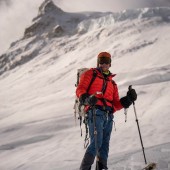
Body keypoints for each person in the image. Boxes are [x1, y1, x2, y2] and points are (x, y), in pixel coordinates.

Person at [76, 52, 137, 170]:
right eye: (101, 60)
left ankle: (102, 168)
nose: (104, 63)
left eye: (106, 61)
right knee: (96, 143)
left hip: (108, 116)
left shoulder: (112, 83)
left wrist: (128, 99)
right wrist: (86, 99)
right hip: (95, 112)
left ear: (110, 64)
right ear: (98, 62)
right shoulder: (90, 74)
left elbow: (115, 105)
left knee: (104, 144)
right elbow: (80, 89)